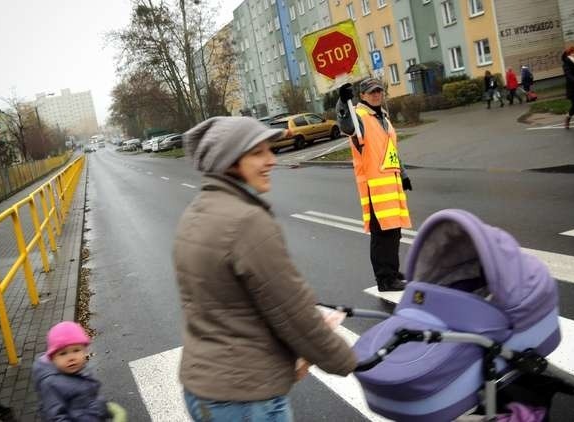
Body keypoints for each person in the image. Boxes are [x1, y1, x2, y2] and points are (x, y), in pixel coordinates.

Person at [176, 116, 357, 421]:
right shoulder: (247, 221)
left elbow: (224, 304)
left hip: (203, 389)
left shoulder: (195, 213)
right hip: (246, 398)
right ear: (230, 161)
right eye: (257, 153)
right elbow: (293, 311)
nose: (271, 160)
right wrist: (346, 360)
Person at [336, 78, 412, 292]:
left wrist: (403, 174)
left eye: (379, 91)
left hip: (391, 186)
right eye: (371, 92)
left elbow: (391, 150)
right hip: (375, 189)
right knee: (382, 236)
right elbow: (346, 125)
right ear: (362, 96)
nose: (376, 94)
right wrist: (342, 102)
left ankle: (392, 272)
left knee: (394, 233)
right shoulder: (359, 117)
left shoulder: (383, 117)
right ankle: (385, 280)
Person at [32, 321, 126, 421]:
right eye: (63, 353)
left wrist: (104, 407)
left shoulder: (77, 372)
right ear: (53, 358)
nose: (71, 358)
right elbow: (56, 417)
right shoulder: (51, 384)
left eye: (76, 350)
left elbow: (85, 399)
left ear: (85, 351)